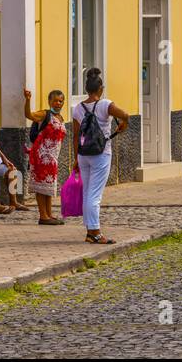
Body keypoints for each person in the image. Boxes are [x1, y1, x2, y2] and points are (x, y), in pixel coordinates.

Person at [71, 68, 130, 244]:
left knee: (88, 192)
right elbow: (125, 114)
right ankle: (95, 232)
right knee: (95, 194)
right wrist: (123, 125)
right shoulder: (105, 105)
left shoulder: (77, 109)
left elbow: (75, 136)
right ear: (100, 89)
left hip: (83, 154)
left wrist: (75, 158)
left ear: (87, 89)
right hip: (101, 153)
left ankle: (90, 231)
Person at [23, 88, 68, 224]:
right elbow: (29, 115)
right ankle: (43, 216)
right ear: (49, 101)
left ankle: (49, 214)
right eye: (55, 101)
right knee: (41, 186)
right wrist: (28, 100)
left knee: (48, 186)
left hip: (52, 158)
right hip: (42, 156)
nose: (58, 103)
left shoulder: (60, 118)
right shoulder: (45, 114)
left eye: (61, 101)